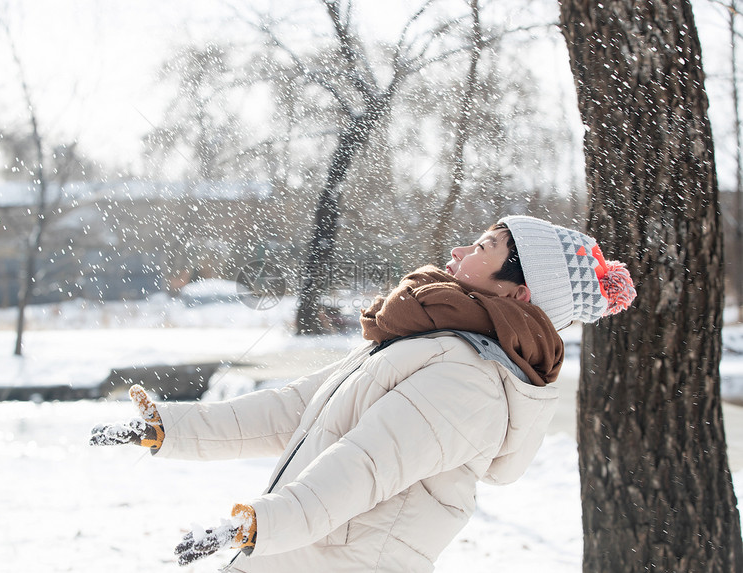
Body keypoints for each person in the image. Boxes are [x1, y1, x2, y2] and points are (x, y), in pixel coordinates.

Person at [90, 215, 636, 572]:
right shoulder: (431, 344)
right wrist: (170, 428)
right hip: (304, 551)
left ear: (517, 292)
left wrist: (262, 523)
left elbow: (364, 464)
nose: (458, 248)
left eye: (484, 247)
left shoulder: (473, 381)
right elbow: (301, 409)